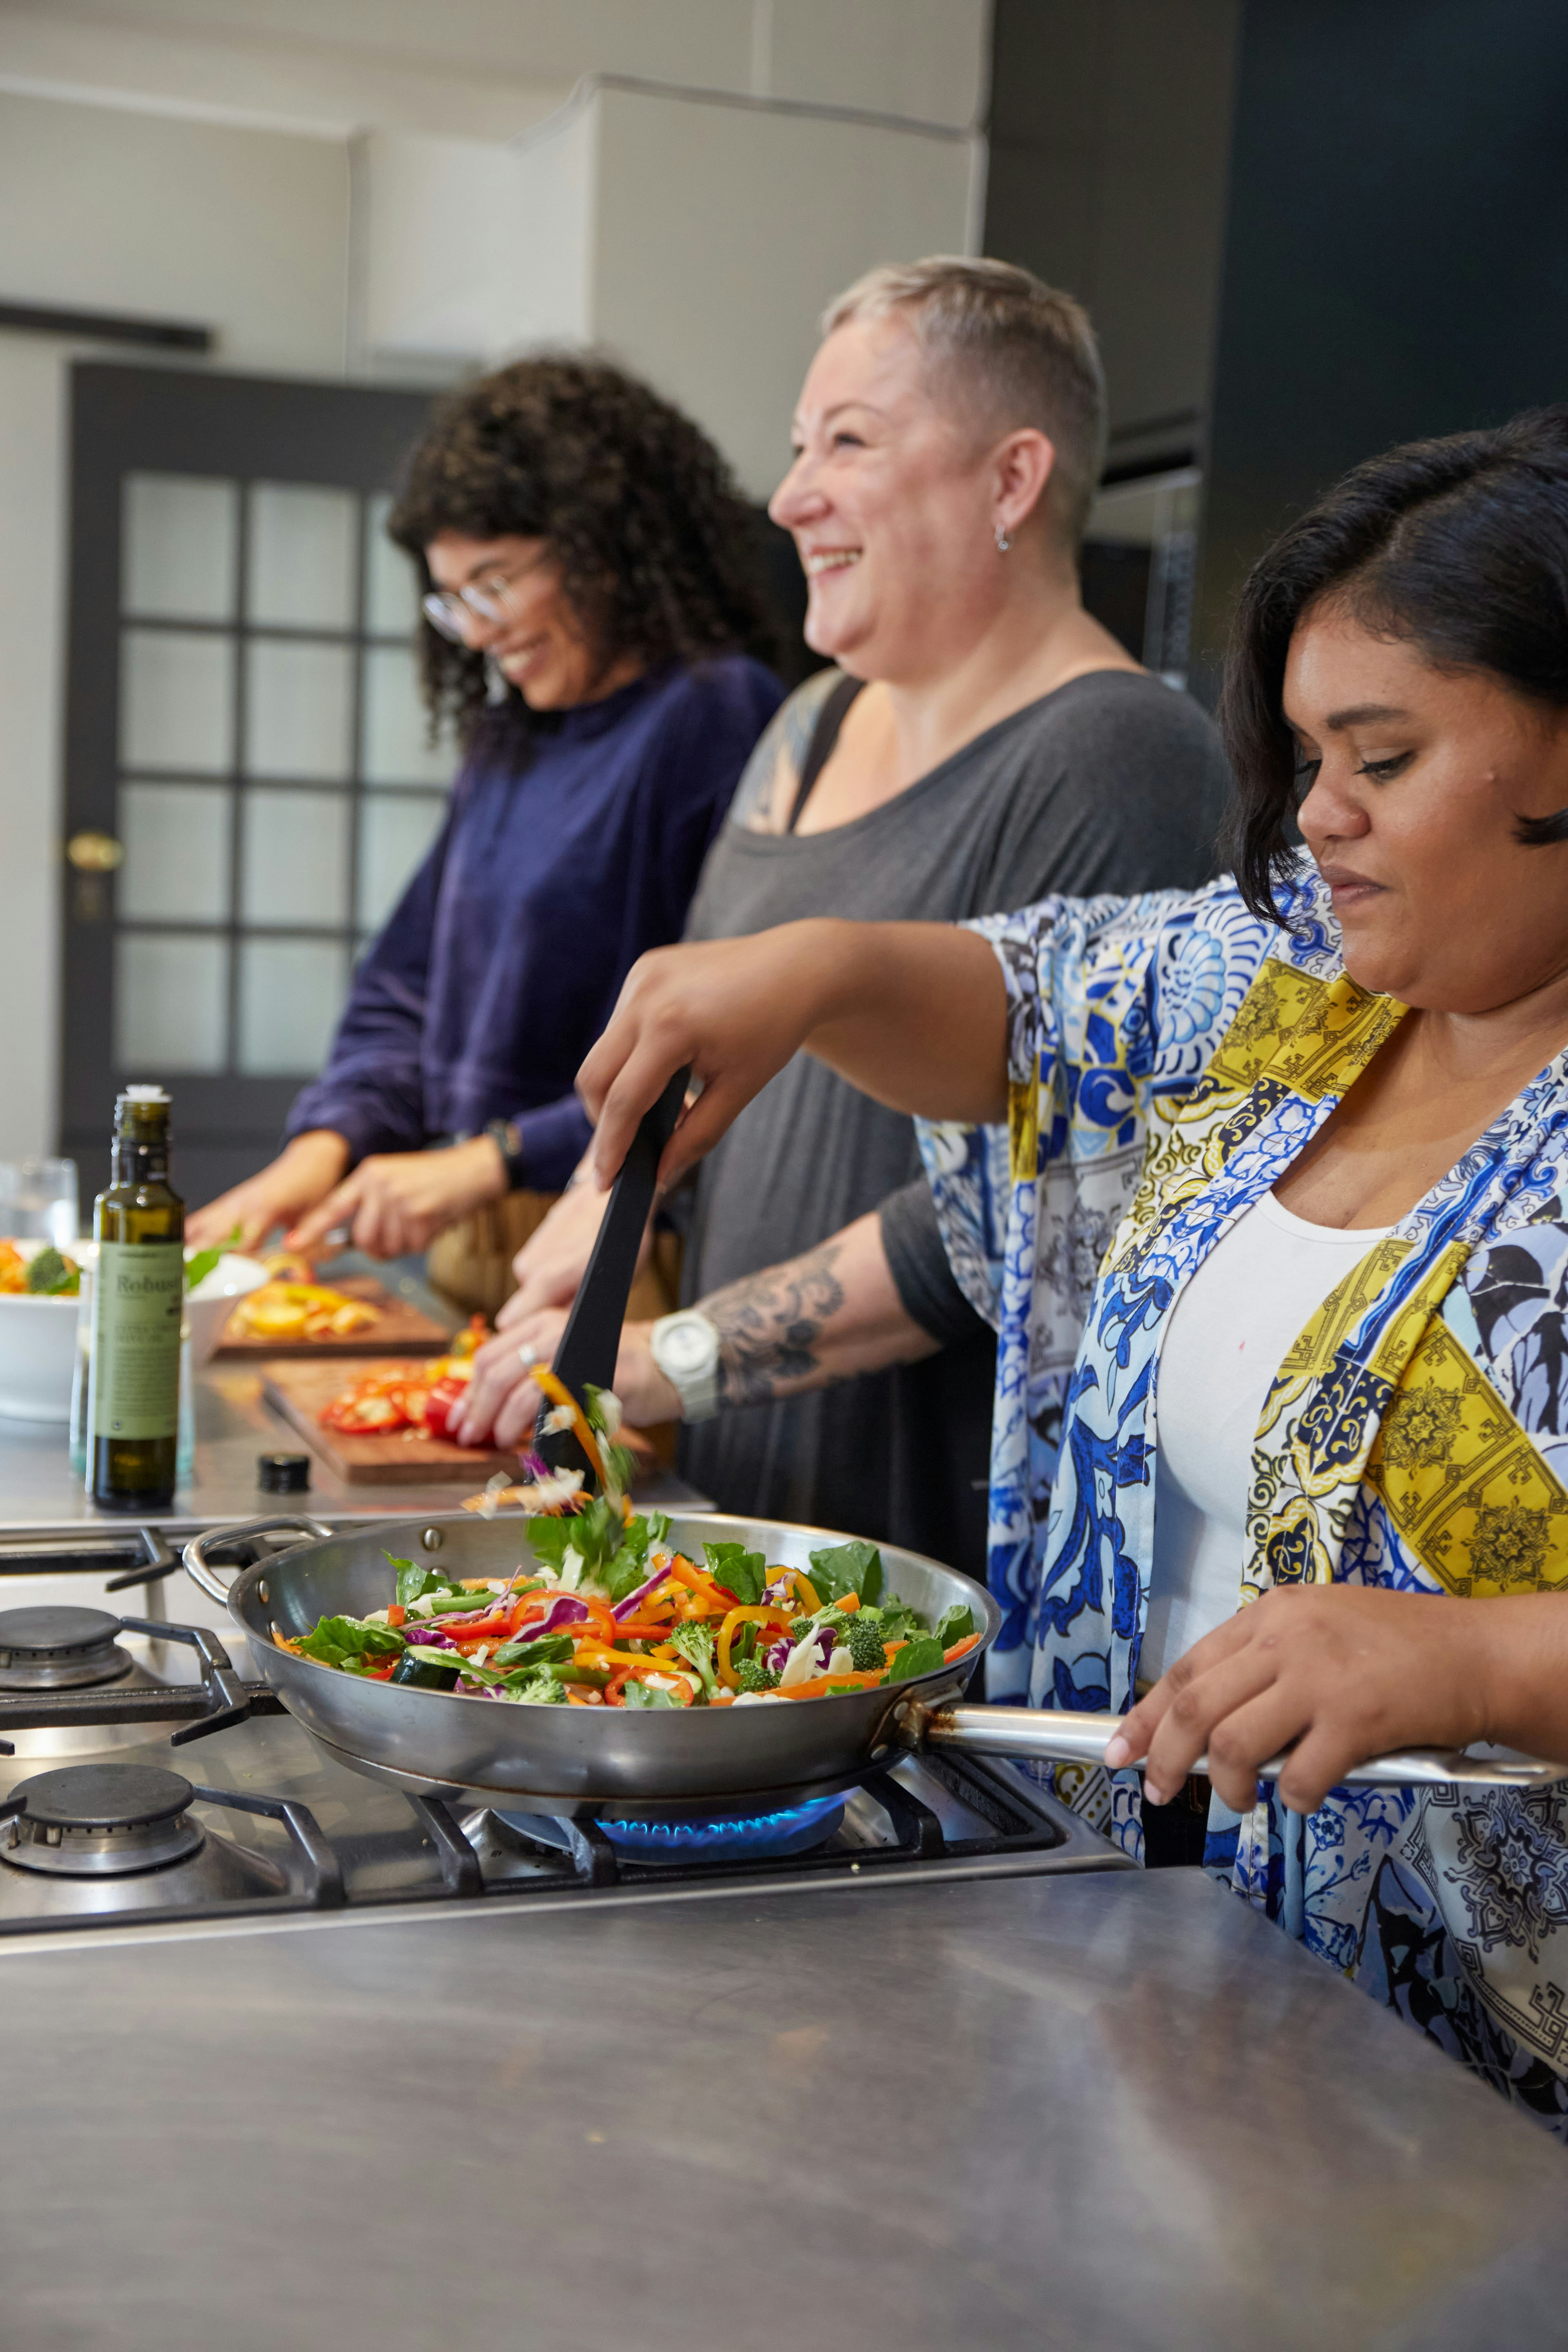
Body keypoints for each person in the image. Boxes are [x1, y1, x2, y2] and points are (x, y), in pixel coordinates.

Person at [570, 406, 1568, 2134]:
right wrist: (810, 968)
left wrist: (1480, 1660)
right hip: (1159, 1972)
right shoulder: (1306, 979)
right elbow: (1036, 1004)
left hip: (1470, 2076)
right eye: (1307, 758)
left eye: (1383, 760)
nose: (1320, 817)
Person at [454, 259, 1231, 1613]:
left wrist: (675, 1356)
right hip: (758, 1500)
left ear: (1010, 481)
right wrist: (608, 1213)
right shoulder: (804, 728)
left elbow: (1032, 1200)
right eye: (799, 445)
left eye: (849, 443)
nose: (788, 495)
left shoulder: (1123, 754)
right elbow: (701, 1051)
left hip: (934, 1552)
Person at [186, 358, 784, 1316]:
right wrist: (322, 1149)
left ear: (601, 545)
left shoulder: (712, 716)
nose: (473, 631)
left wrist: (493, 1160)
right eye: (451, 598)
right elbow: (405, 986)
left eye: (493, 582)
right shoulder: (510, 740)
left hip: (620, 1243)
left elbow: (718, 1037)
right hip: (478, 1241)